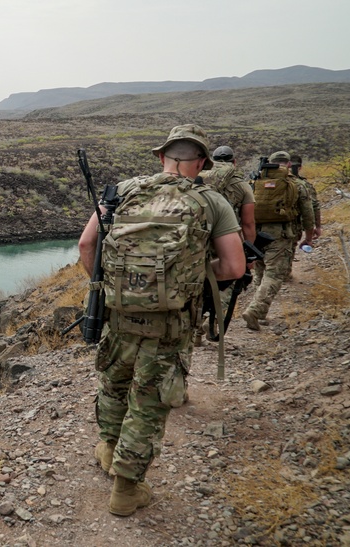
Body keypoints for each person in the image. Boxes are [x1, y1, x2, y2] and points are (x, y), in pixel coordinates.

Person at [78, 124, 244, 517]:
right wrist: (186, 278)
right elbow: (234, 266)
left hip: (118, 316)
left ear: (160, 157)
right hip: (170, 324)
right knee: (149, 401)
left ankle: (107, 446)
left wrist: (113, 289)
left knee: (114, 383)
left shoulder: (121, 192)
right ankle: (125, 489)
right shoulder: (211, 200)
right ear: (200, 162)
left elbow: (87, 245)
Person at [241, 151, 315, 330]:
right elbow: (308, 214)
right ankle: (255, 310)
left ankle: (261, 313)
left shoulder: (254, 182)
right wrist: (309, 237)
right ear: (289, 164)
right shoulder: (296, 184)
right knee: (274, 274)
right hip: (281, 235)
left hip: (256, 233)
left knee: (260, 271)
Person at [194, 145, 256, 345]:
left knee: (198, 279)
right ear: (234, 162)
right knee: (226, 283)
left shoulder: (198, 179)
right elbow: (248, 223)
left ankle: (194, 331)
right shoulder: (242, 185)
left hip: (200, 237)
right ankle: (211, 325)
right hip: (228, 239)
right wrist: (248, 253)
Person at [286, 154, 322, 279]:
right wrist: (315, 229)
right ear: (300, 167)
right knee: (288, 250)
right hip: (292, 227)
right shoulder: (303, 184)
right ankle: (285, 274)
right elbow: (313, 208)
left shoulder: (267, 181)